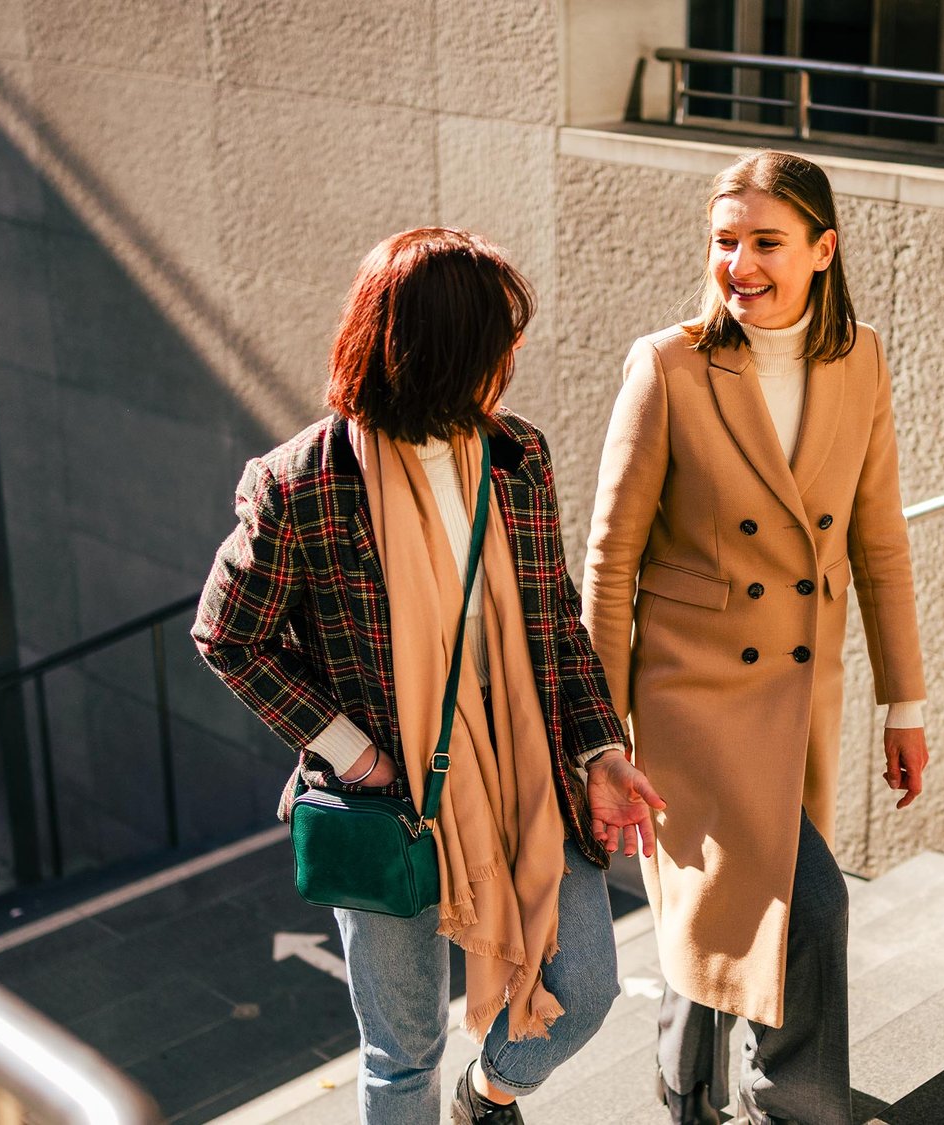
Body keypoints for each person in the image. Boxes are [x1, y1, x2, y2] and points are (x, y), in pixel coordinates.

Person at [194, 227, 668, 1125]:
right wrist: (355, 753)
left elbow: (555, 623)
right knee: (401, 1050)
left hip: (525, 774)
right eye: (500, 336)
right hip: (387, 803)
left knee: (588, 986)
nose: (515, 354)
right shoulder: (302, 485)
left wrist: (602, 746)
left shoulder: (516, 455)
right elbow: (227, 635)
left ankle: (484, 1098)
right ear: (446, 350)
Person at [580, 151, 930, 1125]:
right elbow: (608, 566)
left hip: (793, 702)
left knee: (731, 915)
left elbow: (878, 537)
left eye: (765, 242)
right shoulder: (668, 364)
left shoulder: (856, 357)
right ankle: (790, 1112)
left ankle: (681, 1086)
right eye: (724, 241)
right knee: (806, 912)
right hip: (688, 707)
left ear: (823, 248)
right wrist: (596, 740)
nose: (740, 262)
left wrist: (902, 701)